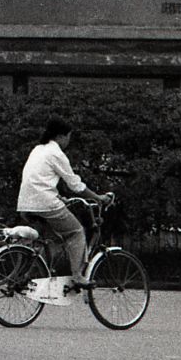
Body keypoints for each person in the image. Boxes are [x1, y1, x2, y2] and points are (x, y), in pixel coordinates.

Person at [17, 118, 108, 294]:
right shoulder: (56, 153)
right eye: (68, 137)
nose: (69, 141)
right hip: (45, 203)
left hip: (25, 204)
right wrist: (98, 198)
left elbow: (38, 180)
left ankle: (28, 277)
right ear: (61, 136)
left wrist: (59, 197)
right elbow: (75, 185)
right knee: (76, 232)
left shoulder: (38, 150)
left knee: (52, 241)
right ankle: (77, 276)